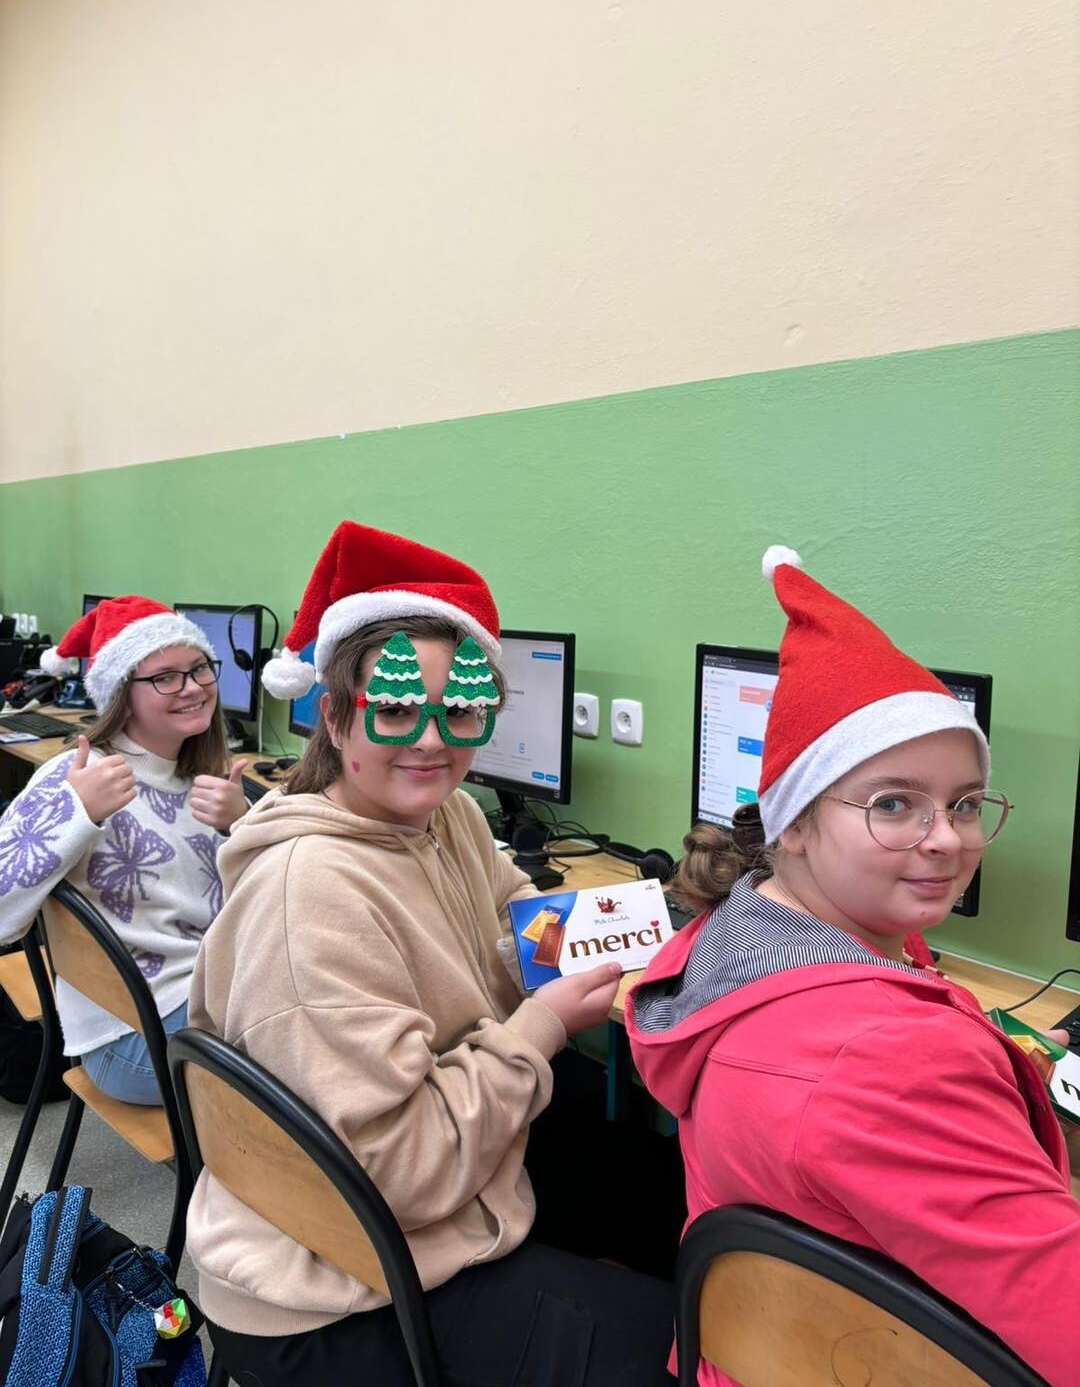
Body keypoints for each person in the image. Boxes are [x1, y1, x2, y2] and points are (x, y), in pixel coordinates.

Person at [185, 521, 675, 1387]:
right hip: (337, 1291)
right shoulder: (312, 894)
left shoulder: (444, 815)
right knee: (671, 1346)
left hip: (441, 1161)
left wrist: (640, 928)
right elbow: (397, 1172)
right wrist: (541, 1027)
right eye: (397, 709)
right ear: (334, 716)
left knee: (678, 1200)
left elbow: (518, 918)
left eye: (461, 711)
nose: (432, 739)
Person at [627, 546, 1080, 1387]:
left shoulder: (740, 929)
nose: (947, 840)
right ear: (792, 824)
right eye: (894, 804)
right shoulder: (889, 1062)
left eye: (965, 803)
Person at [0, 596, 249, 1105]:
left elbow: (248, 909)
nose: (193, 687)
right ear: (121, 693)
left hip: (200, 994)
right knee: (314, 1052)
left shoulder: (200, 779)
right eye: (165, 678)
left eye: (200, 668)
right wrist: (75, 813)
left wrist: (240, 825)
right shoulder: (76, 777)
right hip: (132, 1038)